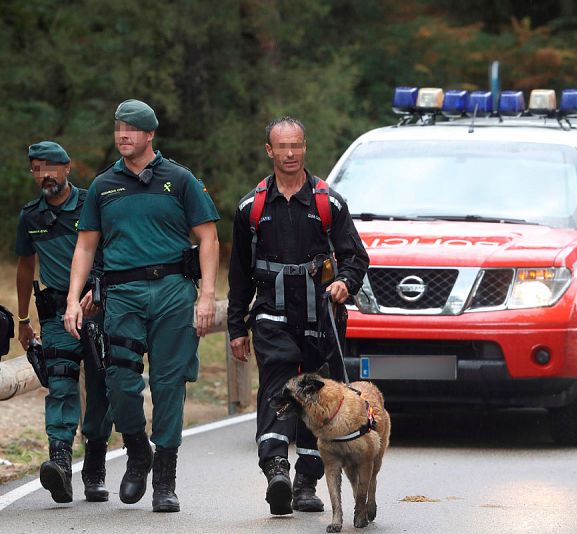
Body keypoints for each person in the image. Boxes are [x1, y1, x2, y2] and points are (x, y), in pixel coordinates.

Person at [63, 100, 220, 513]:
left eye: (130, 129)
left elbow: (208, 238)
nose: (122, 136)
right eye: (118, 129)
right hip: (123, 297)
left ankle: (164, 481)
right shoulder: (103, 186)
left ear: (150, 135)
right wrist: (71, 298)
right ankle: (137, 451)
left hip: (172, 292)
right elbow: (85, 246)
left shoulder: (180, 180)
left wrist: (206, 295)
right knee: (118, 381)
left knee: (169, 387)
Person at [227, 116, 369, 516]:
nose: (290, 154)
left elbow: (357, 257)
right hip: (272, 314)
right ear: (269, 151)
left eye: (297, 146)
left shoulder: (329, 202)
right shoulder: (250, 208)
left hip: (321, 316)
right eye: (282, 147)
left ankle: (307, 481)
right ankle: (276, 470)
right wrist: (237, 328)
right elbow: (238, 274)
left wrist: (345, 282)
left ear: (305, 147)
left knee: (317, 395)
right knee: (278, 379)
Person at [16, 141, 112, 503]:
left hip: (97, 310)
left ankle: (96, 467)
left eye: (49, 168)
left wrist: (99, 289)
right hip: (56, 315)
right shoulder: (30, 216)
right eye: (36, 169)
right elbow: (25, 268)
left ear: (67, 168)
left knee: (102, 388)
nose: (43, 176)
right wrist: (24, 319)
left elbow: (110, 247)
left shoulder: (92, 203)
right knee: (59, 383)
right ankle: (60, 464)